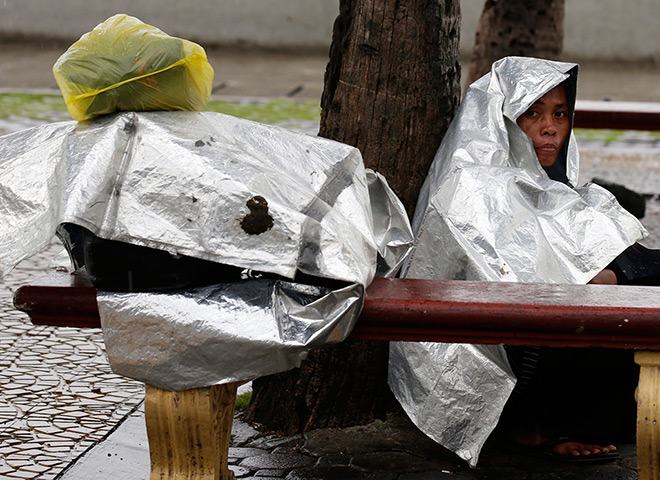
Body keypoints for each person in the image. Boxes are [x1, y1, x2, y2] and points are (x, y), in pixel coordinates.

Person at [388, 57, 647, 468]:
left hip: (533, 314)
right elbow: (511, 269)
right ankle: (531, 427)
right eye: (533, 113)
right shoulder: (473, 182)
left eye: (560, 114)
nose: (551, 128)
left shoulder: (549, 183)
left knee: (630, 275)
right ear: (500, 119)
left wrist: (615, 270)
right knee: (578, 297)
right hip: (487, 335)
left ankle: (599, 417)